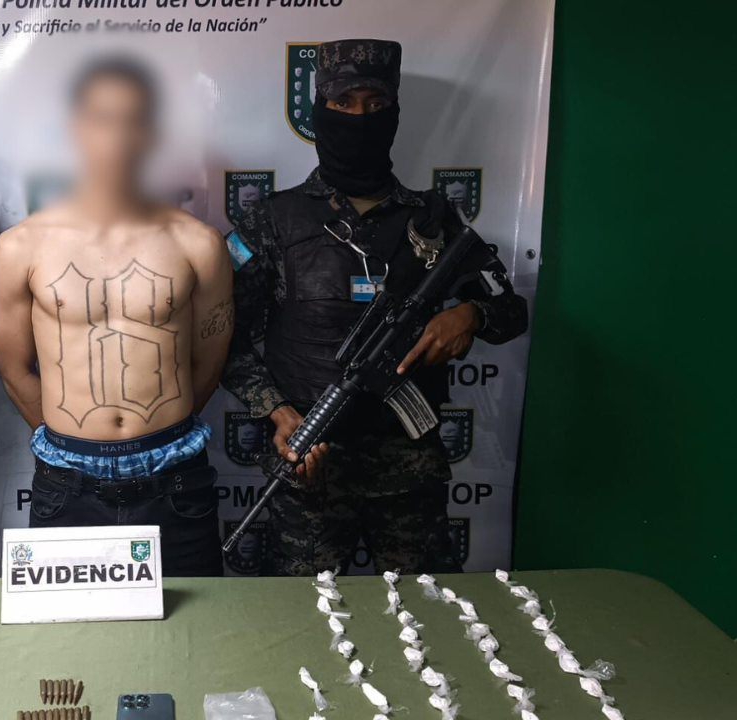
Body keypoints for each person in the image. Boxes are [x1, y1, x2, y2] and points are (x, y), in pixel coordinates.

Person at [222, 39, 528, 576]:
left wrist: (470, 315)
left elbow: (510, 310)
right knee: (304, 617)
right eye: (343, 103)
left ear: (393, 112)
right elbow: (224, 336)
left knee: (426, 613)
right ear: (320, 111)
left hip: (409, 471)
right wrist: (279, 411)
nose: (359, 117)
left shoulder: (433, 218)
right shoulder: (273, 219)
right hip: (311, 464)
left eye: (374, 104)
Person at [0, 57, 234, 577]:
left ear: (152, 134)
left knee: (199, 624)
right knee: (70, 629)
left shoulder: (198, 244)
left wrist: (157, 434)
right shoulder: (20, 247)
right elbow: (15, 371)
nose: (117, 138)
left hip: (175, 475)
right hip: (67, 480)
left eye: (133, 121)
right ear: (75, 129)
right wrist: (73, 443)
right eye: (102, 119)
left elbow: (207, 364)